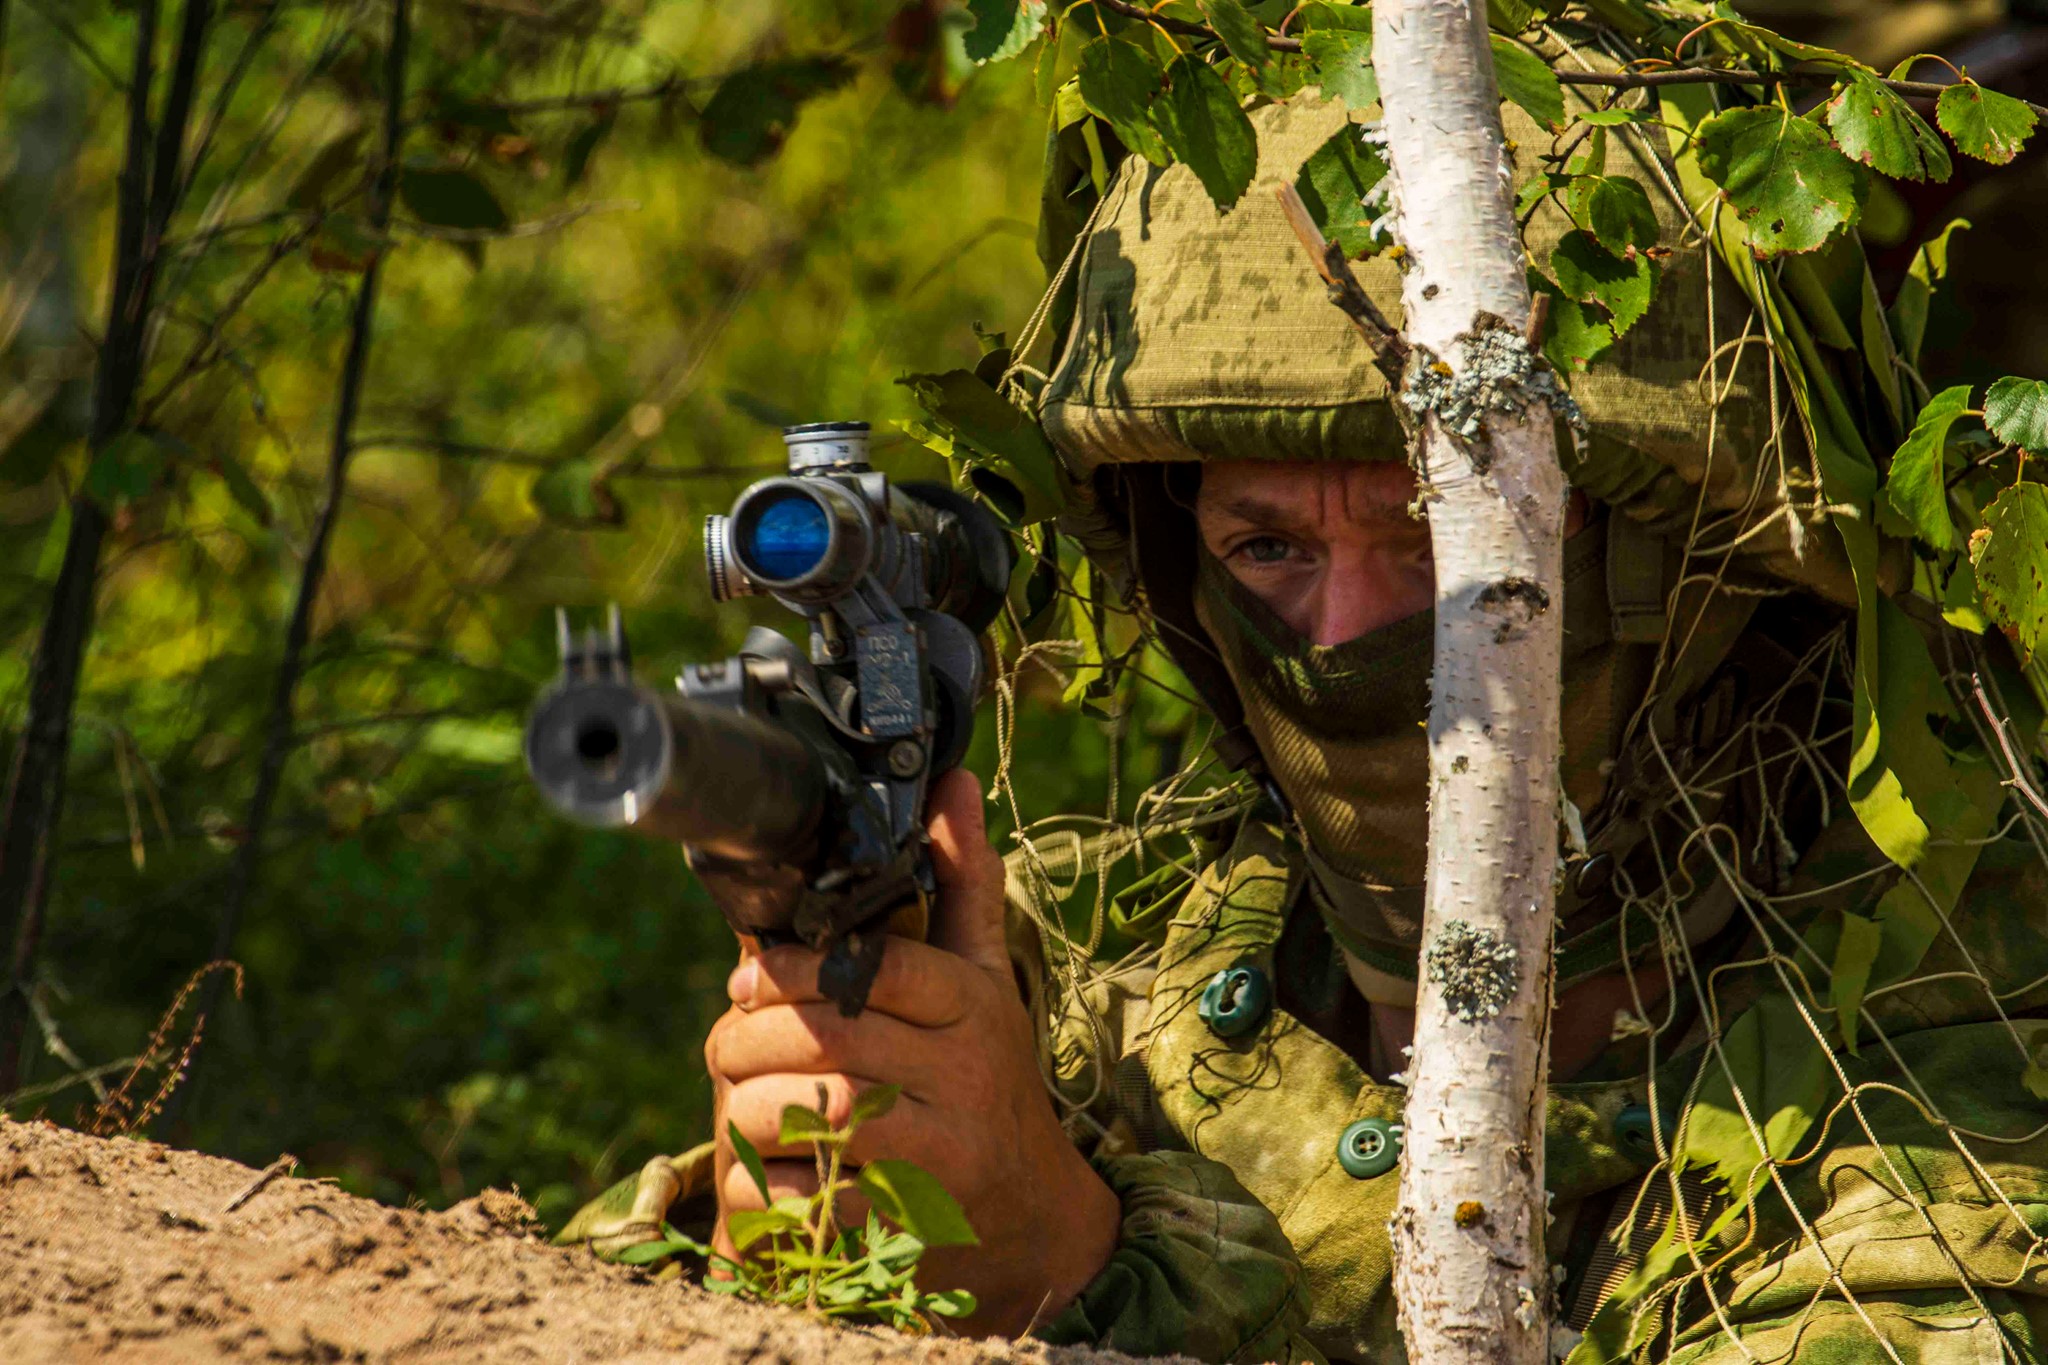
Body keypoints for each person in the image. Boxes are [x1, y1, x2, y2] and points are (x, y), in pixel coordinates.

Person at [563, 47, 2048, 1365]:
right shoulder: (1092, 976)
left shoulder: (1933, 1083)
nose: (1339, 636)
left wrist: (1076, 1280)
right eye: (1268, 547)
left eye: (1444, 538)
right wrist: (775, 1237)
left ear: (1697, 564)